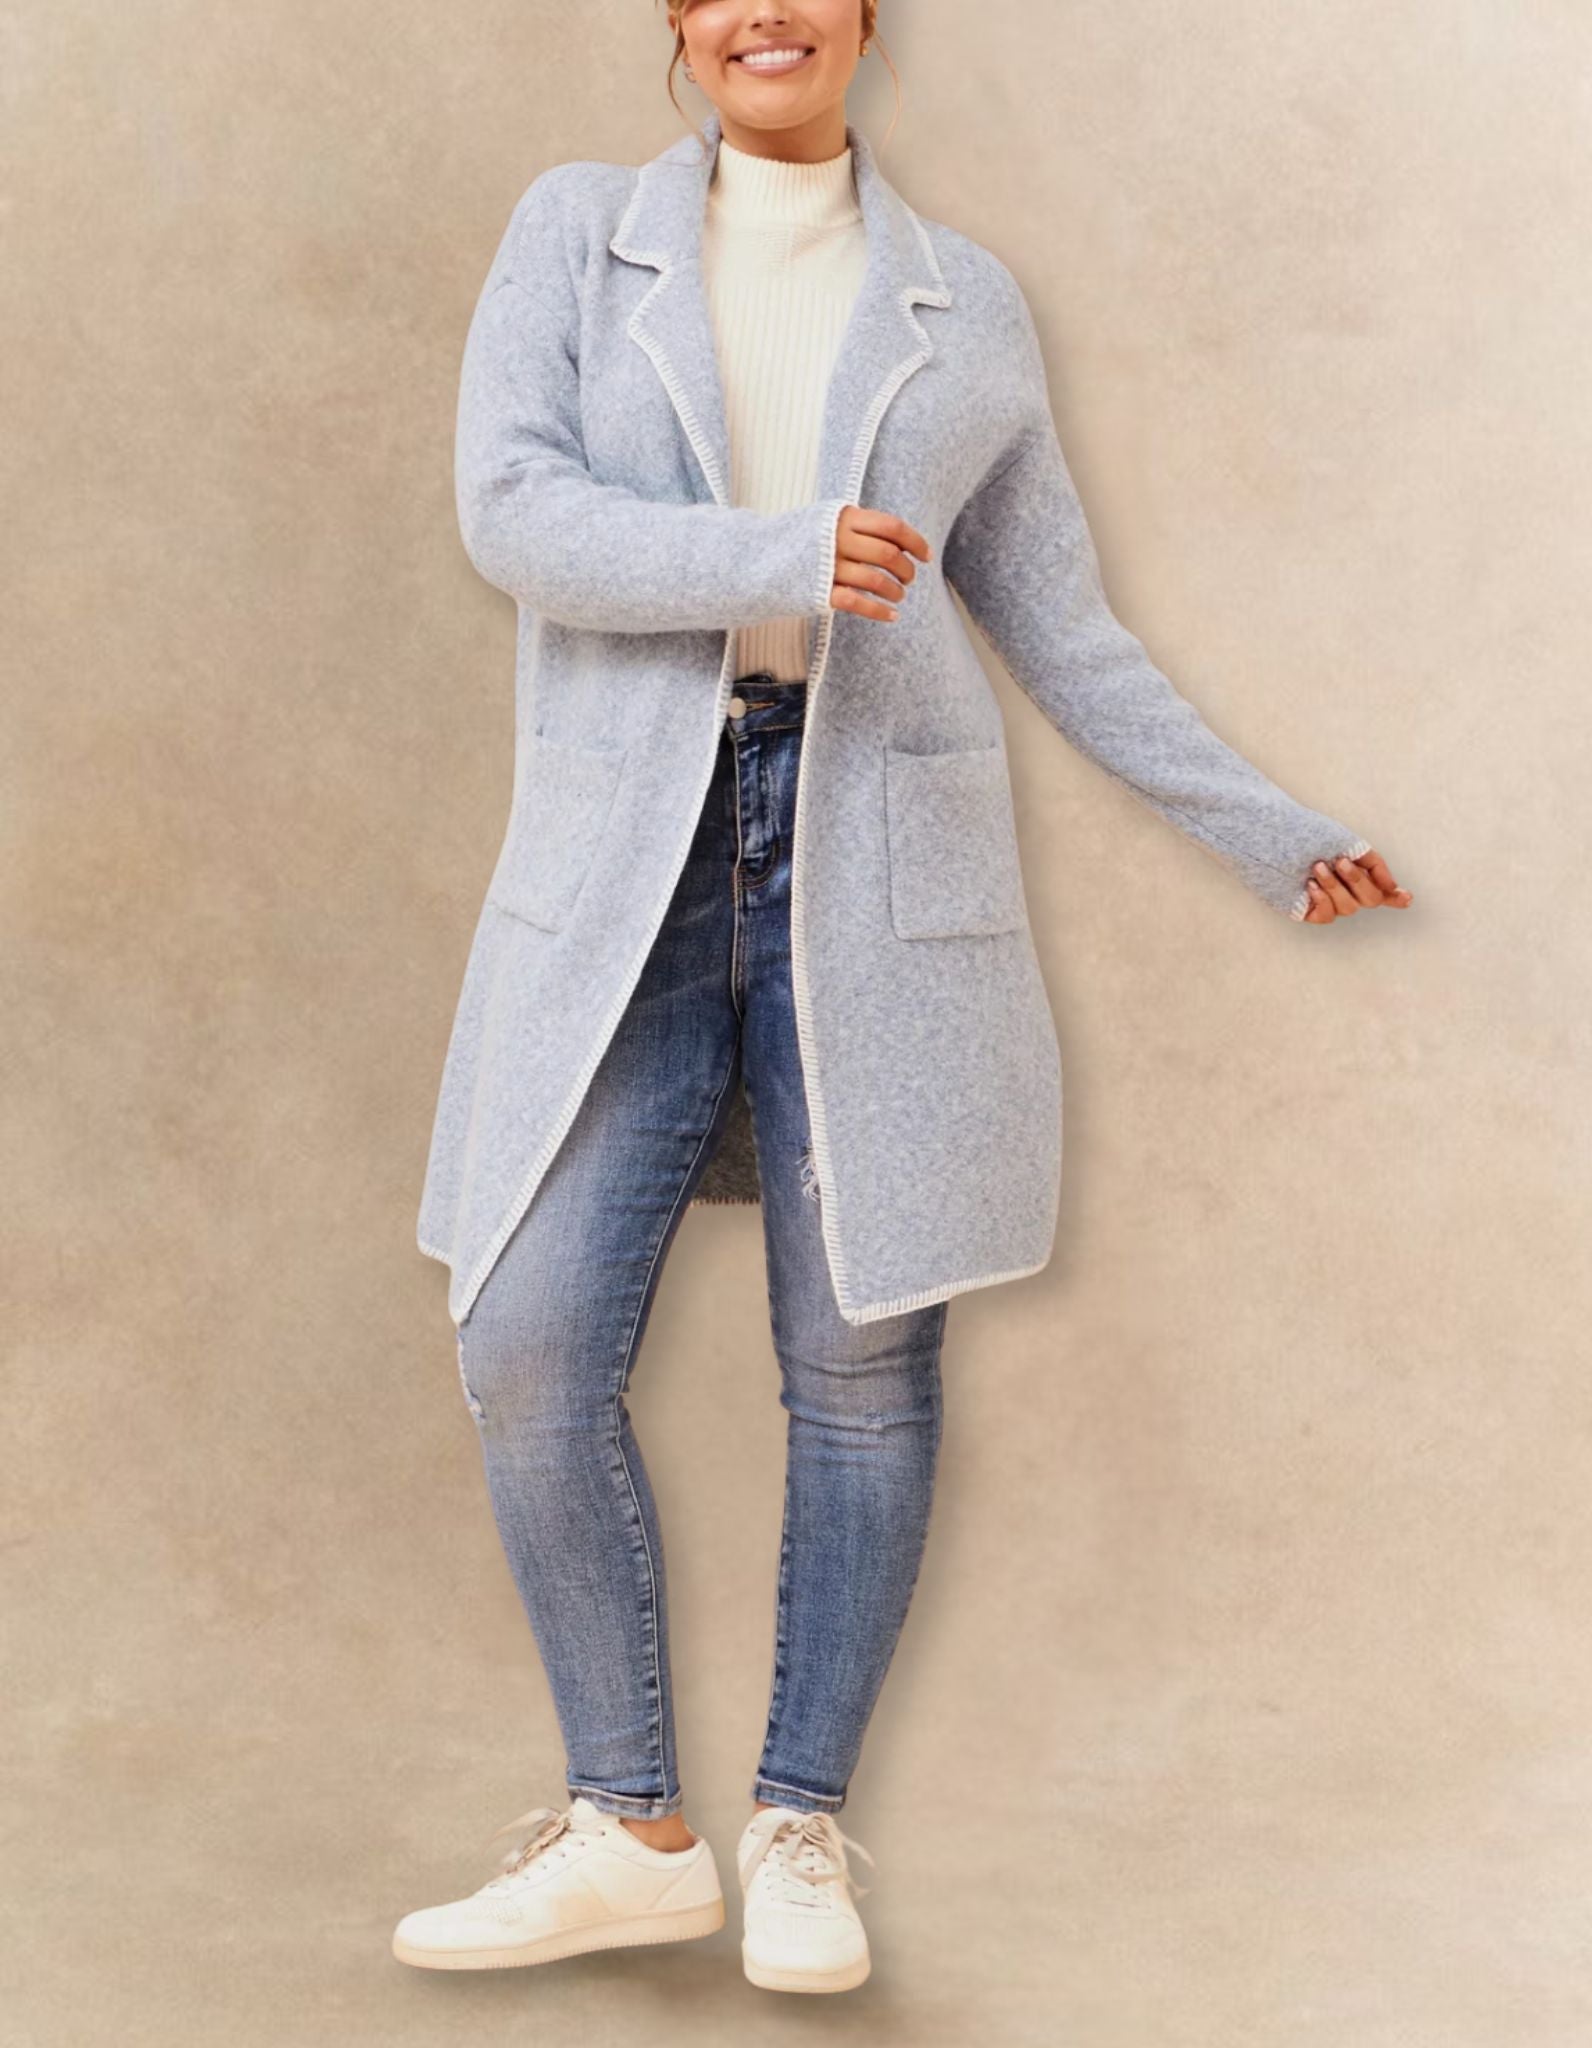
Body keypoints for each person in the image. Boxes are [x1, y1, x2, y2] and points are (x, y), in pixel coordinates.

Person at [396, 0, 1412, 1998]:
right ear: (679, 24)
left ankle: (795, 1826)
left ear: (868, 18)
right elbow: (512, 513)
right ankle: (628, 1826)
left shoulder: (966, 301)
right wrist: (784, 549)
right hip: (631, 859)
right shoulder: (577, 231)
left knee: (858, 1370)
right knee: (526, 1339)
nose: (761, 15)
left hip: (873, 856)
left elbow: (1058, 622)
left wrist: (1272, 833)